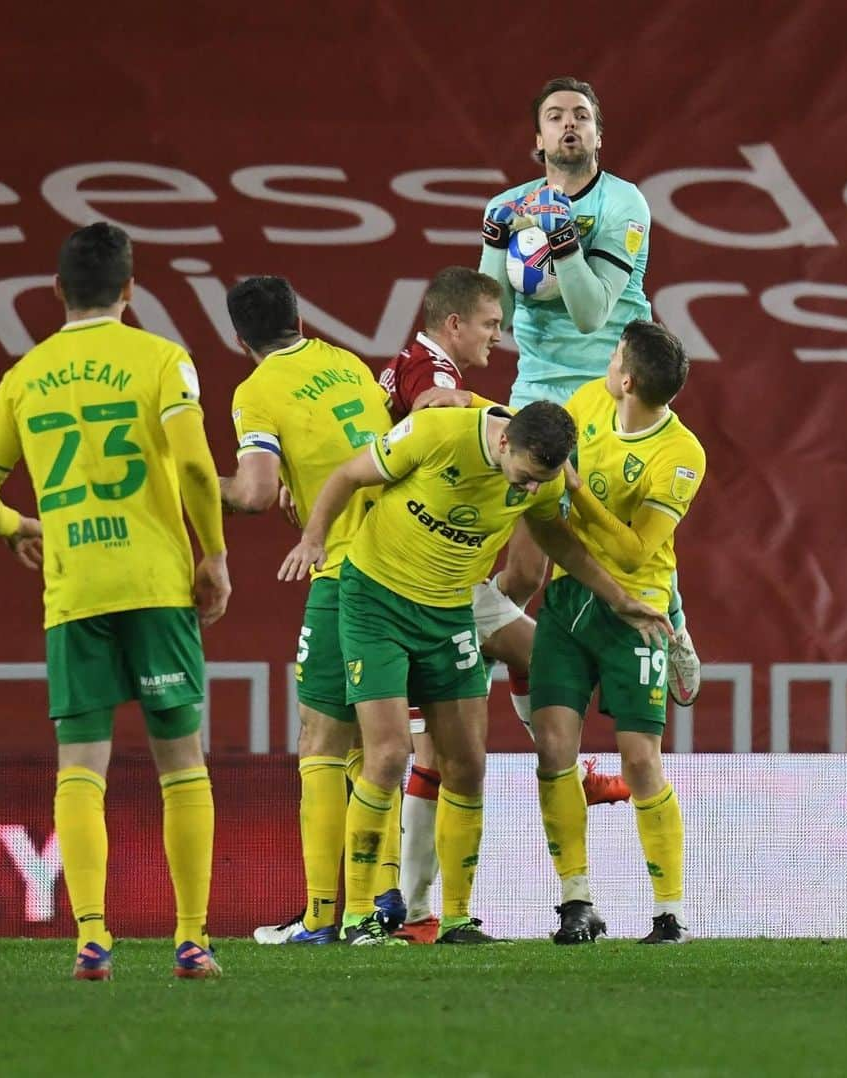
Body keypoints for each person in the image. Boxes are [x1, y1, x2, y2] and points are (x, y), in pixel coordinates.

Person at [279, 401, 670, 945]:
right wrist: (313, 538)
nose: (531, 490)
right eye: (527, 477)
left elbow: (557, 538)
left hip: (449, 612)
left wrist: (620, 598)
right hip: (376, 602)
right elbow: (348, 474)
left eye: (544, 481)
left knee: (466, 764)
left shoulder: (543, 477)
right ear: (505, 442)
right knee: (389, 754)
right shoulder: (439, 435)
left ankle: (457, 919)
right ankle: (359, 915)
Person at [0, 222, 229, 981]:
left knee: (81, 765)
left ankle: (91, 935)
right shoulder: (161, 360)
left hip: (74, 590)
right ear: (130, 290)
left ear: (56, 293)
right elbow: (200, 472)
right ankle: (192, 937)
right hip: (155, 587)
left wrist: (16, 527)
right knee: (180, 763)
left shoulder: (24, 376)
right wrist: (214, 556)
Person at [378, 267, 629, 944]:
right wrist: (502, 421)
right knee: (418, 753)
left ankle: (416, 907)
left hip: (457, 582)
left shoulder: (436, 373)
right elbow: (431, 403)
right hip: (411, 582)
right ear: (455, 324)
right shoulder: (431, 368)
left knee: (533, 655)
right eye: (492, 324)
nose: (499, 336)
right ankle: (397, 908)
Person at [479, 75, 701, 708]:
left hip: (615, 385)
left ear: (599, 134)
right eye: (555, 116)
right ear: (539, 138)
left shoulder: (624, 204)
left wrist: (563, 242)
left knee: (628, 532)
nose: (568, 124)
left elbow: (588, 313)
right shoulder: (511, 203)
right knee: (524, 565)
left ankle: (673, 626)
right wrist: (497, 242)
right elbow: (493, 309)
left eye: (581, 115)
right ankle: (504, 675)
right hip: (539, 391)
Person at [219, 275, 400, 944]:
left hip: (347, 569)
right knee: (373, 744)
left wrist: (184, 486)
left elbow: (256, 492)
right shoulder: (344, 360)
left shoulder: (256, 390)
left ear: (240, 340)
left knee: (320, 740)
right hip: (403, 565)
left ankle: (325, 915)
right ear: (301, 317)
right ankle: (380, 901)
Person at [530, 320, 705, 944]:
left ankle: (669, 913)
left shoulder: (681, 455)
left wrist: (579, 493)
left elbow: (634, 553)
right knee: (553, 750)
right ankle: (576, 901)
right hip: (571, 599)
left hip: (639, 609)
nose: (606, 363)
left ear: (626, 378)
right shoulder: (586, 403)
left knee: (639, 759)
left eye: (614, 357)